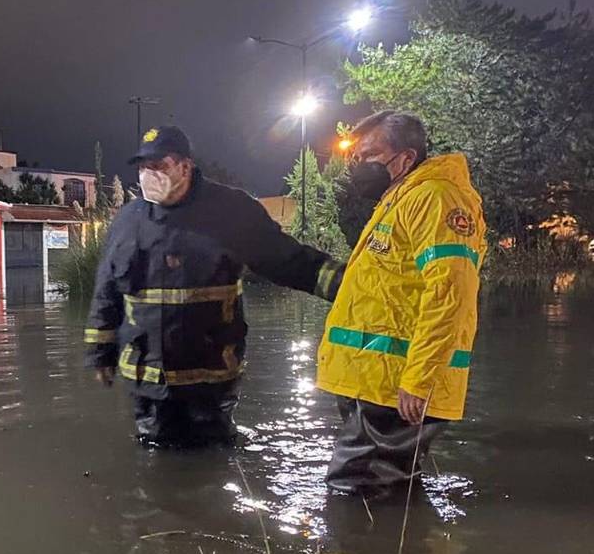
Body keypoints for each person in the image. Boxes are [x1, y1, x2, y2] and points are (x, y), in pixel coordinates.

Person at [85, 126, 344, 446]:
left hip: (211, 379)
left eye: (159, 166)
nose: (148, 175)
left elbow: (286, 260)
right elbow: (106, 289)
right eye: (143, 167)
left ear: (185, 166)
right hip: (148, 380)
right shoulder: (128, 220)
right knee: (155, 459)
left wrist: (349, 285)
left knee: (214, 458)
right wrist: (100, 351)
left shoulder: (231, 210)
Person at [317, 111, 487, 495]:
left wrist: (419, 378)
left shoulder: (435, 198)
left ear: (406, 158)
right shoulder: (402, 197)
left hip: (398, 387)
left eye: (369, 156)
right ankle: (398, 552)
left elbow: (449, 294)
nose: (359, 167)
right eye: (356, 158)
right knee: (381, 488)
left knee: (358, 490)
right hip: (377, 382)